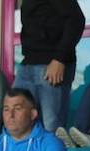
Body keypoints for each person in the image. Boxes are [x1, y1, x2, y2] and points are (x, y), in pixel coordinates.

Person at [14, 0, 83, 134]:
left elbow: (76, 20)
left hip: (51, 65)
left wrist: (59, 59)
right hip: (27, 64)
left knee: (52, 128)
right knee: (16, 122)